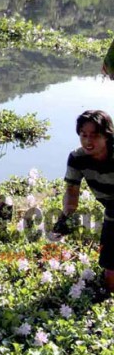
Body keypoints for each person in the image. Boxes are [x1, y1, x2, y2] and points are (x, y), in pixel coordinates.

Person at [53, 110, 114, 293]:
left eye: (95, 136)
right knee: (109, 263)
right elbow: (72, 192)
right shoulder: (77, 159)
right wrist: (65, 218)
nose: (88, 141)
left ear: (107, 135)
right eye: (84, 135)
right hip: (112, 208)